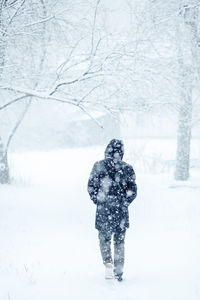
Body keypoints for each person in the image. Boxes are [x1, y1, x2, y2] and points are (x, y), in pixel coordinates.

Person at [87, 139, 137, 281]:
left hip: (104, 211)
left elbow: (91, 187)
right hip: (121, 212)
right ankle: (119, 270)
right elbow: (133, 191)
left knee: (104, 239)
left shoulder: (98, 166)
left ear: (106, 151)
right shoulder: (127, 168)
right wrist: (124, 202)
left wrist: (99, 200)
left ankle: (108, 265)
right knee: (119, 241)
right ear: (121, 153)